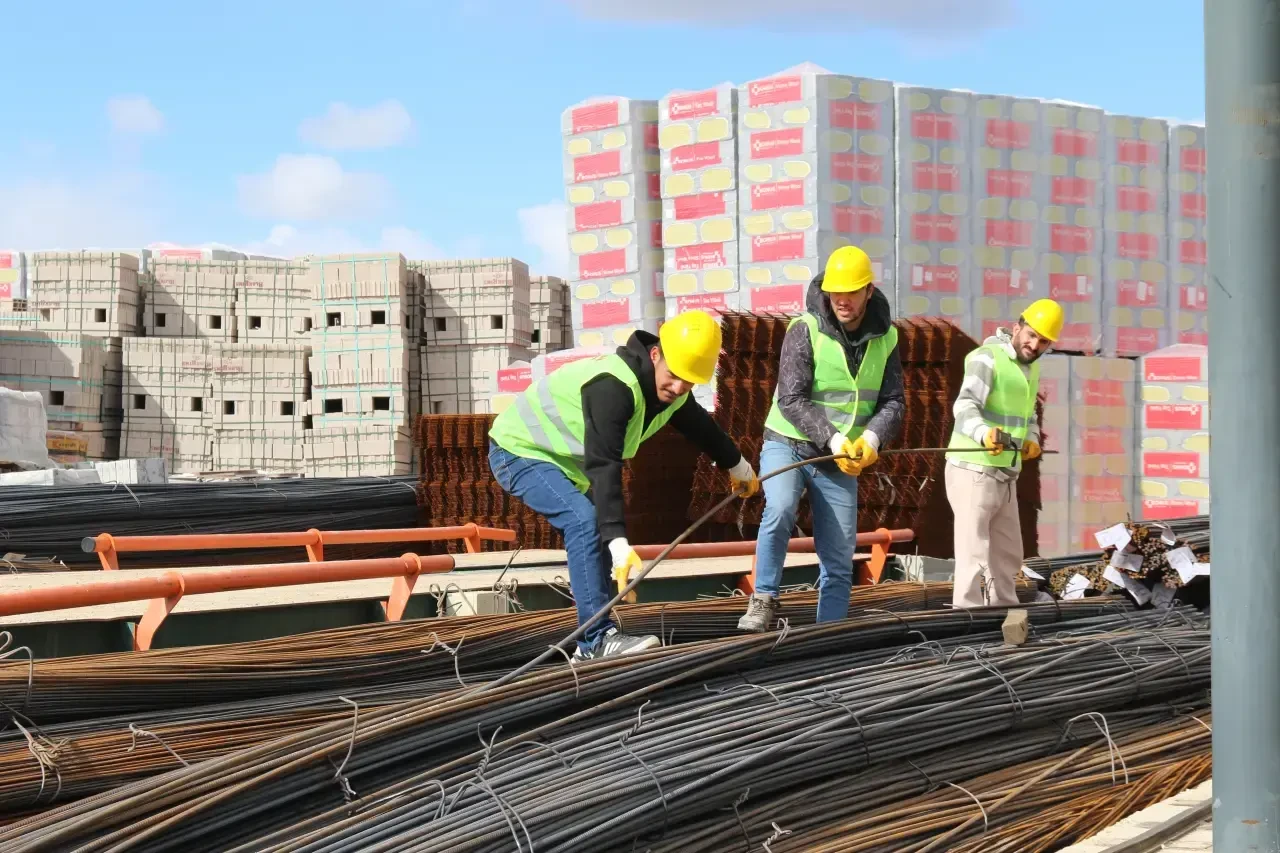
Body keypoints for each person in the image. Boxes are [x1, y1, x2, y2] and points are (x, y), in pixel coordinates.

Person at [488, 310, 760, 659]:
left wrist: (737, 465)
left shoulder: (669, 391)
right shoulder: (613, 387)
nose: (678, 388)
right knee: (586, 523)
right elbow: (605, 466)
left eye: (689, 382)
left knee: (593, 526)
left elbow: (700, 426)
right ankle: (597, 640)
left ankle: (595, 640)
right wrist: (618, 542)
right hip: (518, 451)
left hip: (560, 461)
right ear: (656, 354)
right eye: (675, 376)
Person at [737, 246, 905, 632]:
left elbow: (893, 400)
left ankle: (828, 632)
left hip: (841, 457)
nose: (841, 300)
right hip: (789, 442)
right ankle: (763, 599)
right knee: (779, 508)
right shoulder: (805, 329)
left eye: (850, 291)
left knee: (841, 549)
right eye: (835, 292)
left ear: (868, 290)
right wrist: (833, 439)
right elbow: (791, 398)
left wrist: (873, 439)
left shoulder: (886, 338)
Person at [946, 298, 1063, 608]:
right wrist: (984, 434)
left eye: (1043, 341)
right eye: (1031, 335)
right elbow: (965, 405)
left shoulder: (1029, 368)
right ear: (1017, 327)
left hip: (1004, 472)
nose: (1035, 344)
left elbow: (1027, 417)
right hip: (973, 468)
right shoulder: (987, 358)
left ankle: (1006, 614)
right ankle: (966, 620)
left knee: (1008, 554)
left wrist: (1033, 438)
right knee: (973, 553)